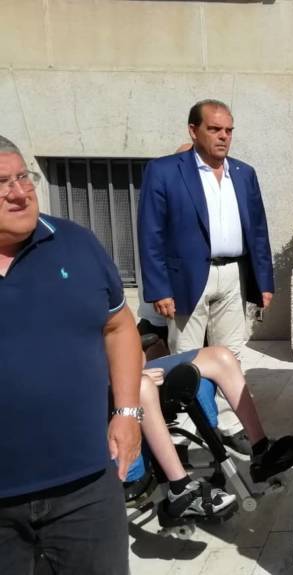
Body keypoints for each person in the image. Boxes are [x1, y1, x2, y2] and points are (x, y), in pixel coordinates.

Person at [0, 135, 142, 574]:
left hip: (87, 487)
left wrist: (127, 412)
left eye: (24, 177)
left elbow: (119, 327)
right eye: (2, 183)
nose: (20, 193)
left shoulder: (77, 244)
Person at [138, 99, 275, 454]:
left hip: (233, 274)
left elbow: (258, 230)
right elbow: (150, 233)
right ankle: (187, 430)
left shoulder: (243, 173)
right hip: (186, 278)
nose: (223, 136)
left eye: (228, 130)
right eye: (214, 129)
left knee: (231, 353)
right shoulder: (165, 171)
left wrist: (264, 281)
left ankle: (231, 423)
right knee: (186, 357)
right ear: (193, 130)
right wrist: (159, 288)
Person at [134, 346, 293, 520]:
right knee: (143, 386)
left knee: (222, 357)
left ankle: (261, 451)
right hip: (119, 380)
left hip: (127, 367)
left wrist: (131, 367)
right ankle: (180, 490)